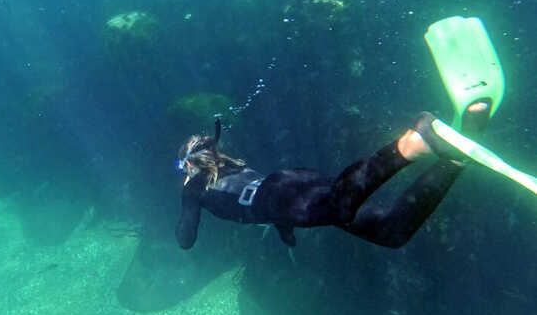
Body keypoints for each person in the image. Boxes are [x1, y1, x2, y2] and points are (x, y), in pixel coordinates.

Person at [174, 101, 491, 249]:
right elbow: (261, 201)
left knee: (341, 205)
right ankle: (457, 156)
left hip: (281, 195)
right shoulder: (229, 165)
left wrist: (186, 192)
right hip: (293, 181)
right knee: (391, 232)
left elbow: (186, 240)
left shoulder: (194, 188)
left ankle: (410, 144)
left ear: (189, 165)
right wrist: (285, 231)